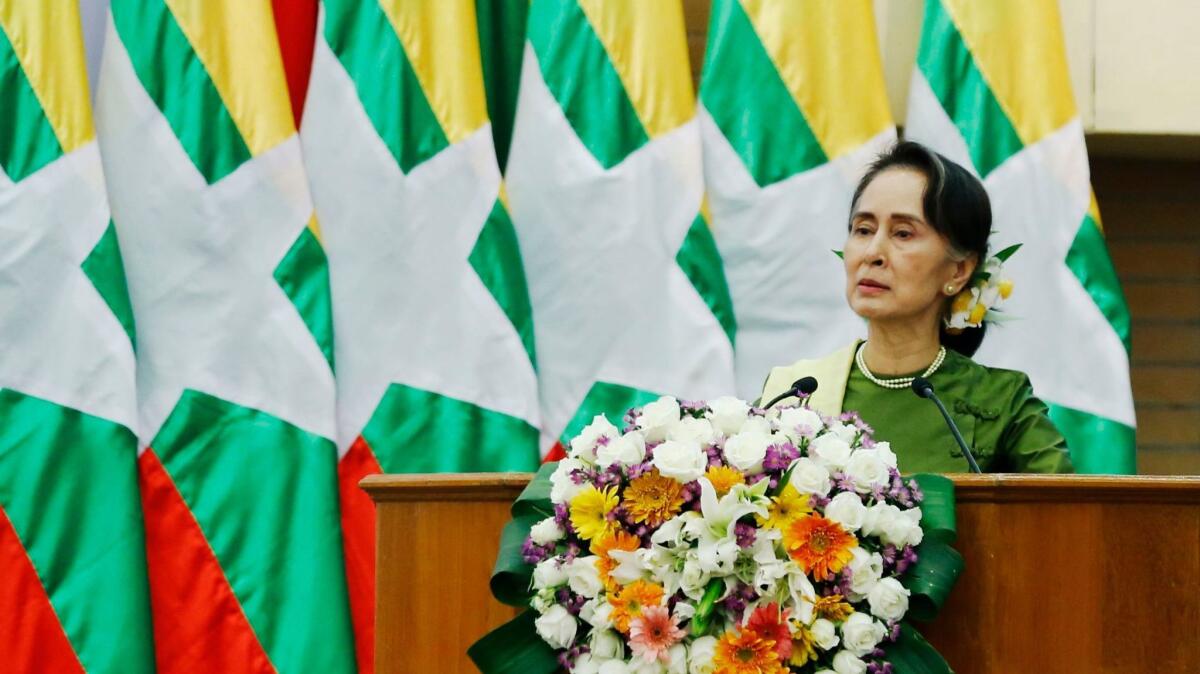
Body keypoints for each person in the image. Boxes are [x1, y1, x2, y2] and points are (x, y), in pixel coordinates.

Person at [760, 141, 1073, 473]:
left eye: (903, 233)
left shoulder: (1003, 403)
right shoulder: (795, 392)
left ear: (958, 271)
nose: (873, 253)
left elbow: (1071, 515)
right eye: (863, 230)